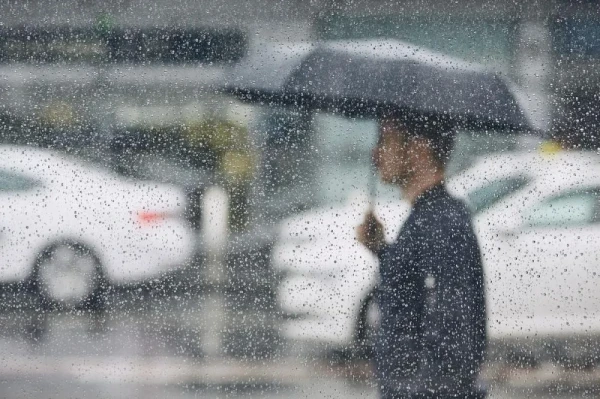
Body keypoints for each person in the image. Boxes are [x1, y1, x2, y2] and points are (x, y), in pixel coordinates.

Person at [357, 112, 487, 399]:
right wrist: (381, 248)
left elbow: (454, 330)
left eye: (385, 140)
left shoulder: (441, 222)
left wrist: (422, 390)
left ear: (419, 148)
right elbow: (413, 293)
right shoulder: (427, 217)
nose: (375, 153)